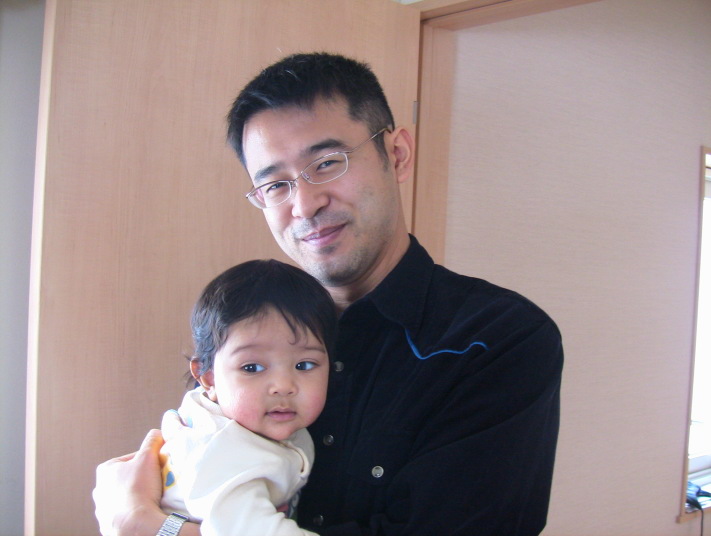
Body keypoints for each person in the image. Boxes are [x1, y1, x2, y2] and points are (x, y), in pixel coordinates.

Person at [93, 52, 564, 536]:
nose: (304, 204)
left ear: (397, 155)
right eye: (274, 185)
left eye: (326, 163)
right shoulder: (246, 333)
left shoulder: (497, 340)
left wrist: (151, 528)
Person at [154, 259, 337, 536]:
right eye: (252, 368)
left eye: (304, 365)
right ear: (208, 378)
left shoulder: (247, 427)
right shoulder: (221, 451)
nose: (283, 386)